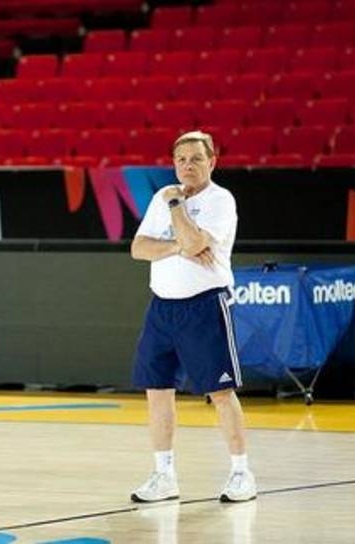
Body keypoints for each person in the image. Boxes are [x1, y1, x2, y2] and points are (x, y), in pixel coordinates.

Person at [129, 130, 257, 503]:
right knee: (157, 390)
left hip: (204, 305)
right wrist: (177, 245)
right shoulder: (162, 196)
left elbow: (197, 242)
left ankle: (241, 473)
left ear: (212, 161)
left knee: (220, 392)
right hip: (162, 307)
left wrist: (176, 207)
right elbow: (138, 248)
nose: (187, 165)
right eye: (181, 159)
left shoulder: (220, 200)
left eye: (196, 159)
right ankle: (164, 475)